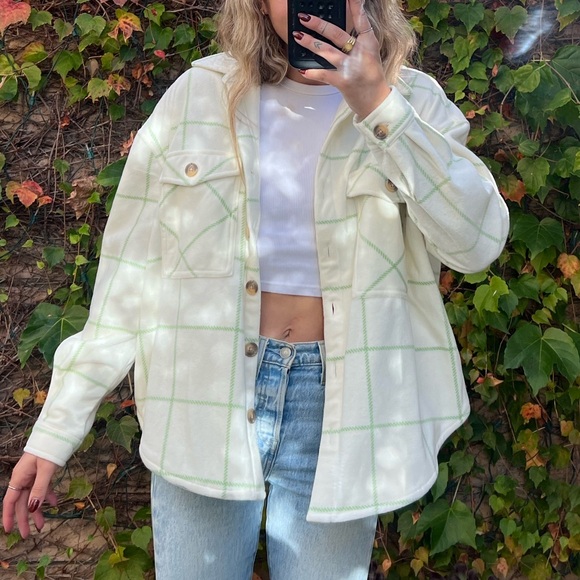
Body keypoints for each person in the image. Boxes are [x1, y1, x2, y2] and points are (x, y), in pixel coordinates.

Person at [3, 0, 509, 577]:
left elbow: (477, 245)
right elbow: (128, 274)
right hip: (204, 396)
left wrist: (377, 103)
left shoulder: (413, 102)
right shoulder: (199, 97)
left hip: (346, 406)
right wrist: (56, 429)